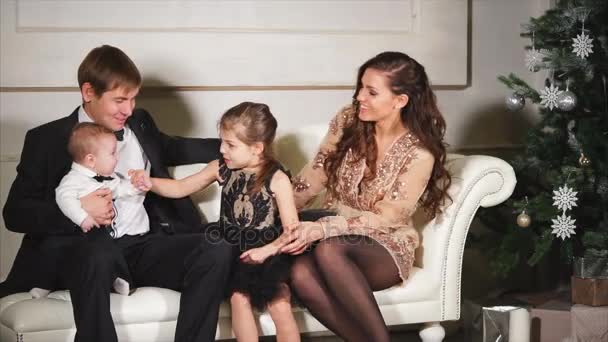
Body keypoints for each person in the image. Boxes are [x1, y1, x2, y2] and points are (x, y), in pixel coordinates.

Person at [1, 44, 233, 342]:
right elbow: (15, 213)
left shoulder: (139, 123)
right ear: (88, 93)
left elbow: (175, 147)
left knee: (216, 246)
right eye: (120, 100)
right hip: (85, 251)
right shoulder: (46, 139)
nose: (129, 109)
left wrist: (241, 146)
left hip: (142, 246)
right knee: (97, 252)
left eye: (134, 99)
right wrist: (78, 211)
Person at [282, 51, 452, 342]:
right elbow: (317, 172)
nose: (360, 96)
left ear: (400, 101)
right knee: (299, 273)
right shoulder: (349, 120)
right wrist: (279, 211)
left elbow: (388, 218)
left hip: (384, 245)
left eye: (372, 92)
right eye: (361, 87)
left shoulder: (419, 153)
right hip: (331, 233)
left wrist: (323, 228)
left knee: (330, 250)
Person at [131, 101, 301, 342]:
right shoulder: (221, 168)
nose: (222, 149)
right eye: (222, 141)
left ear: (257, 148)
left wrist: (266, 251)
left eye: (230, 145)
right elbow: (181, 187)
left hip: (266, 250)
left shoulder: (277, 178)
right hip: (232, 251)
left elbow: (292, 229)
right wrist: (150, 183)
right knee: (238, 299)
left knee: (279, 303)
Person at [30, 122, 143, 299]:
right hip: (75, 232)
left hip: (98, 232)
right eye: (112, 153)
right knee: (53, 252)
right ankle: (43, 284)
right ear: (91, 159)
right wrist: (83, 218)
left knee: (110, 249)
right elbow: (64, 198)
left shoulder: (106, 177)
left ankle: (117, 277)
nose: (117, 158)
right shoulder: (73, 179)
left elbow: (118, 189)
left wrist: (135, 187)